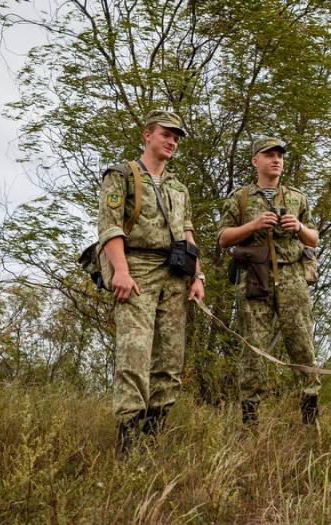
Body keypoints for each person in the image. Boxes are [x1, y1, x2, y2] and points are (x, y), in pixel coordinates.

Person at [98, 110, 205, 454]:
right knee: (134, 357)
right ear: (148, 135)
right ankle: (127, 444)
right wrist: (121, 271)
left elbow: (187, 232)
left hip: (175, 274)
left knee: (170, 361)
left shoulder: (179, 187)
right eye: (165, 134)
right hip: (137, 269)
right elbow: (109, 227)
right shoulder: (121, 176)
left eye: (176, 137)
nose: (172, 142)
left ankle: (151, 439)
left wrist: (198, 275)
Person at [218, 137, 321, 427]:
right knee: (254, 348)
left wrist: (298, 227)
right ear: (256, 161)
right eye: (269, 155)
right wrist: (254, 225)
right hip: (255, 276)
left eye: (280, 156)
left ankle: (310, 418)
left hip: (292, 276)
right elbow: (223, 238)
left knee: (302, 345)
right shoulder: (240, 197)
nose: (276, 160)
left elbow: (313, 238)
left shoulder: (297, 198)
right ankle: (250, 423)